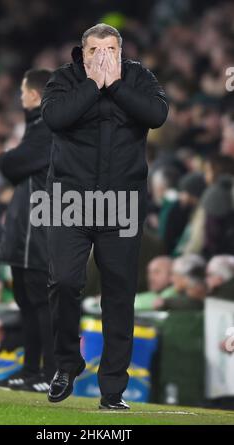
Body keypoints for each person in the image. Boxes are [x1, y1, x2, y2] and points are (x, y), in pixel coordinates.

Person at [41, 23, 168, 409]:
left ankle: (112, 391)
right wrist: (94, 85)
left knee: (117, 295)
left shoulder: (139, 77)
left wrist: (115, 86)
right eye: (95, 49)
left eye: (110, 48)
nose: (103, 56)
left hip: (122, 204)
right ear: (83, 52)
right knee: (63, 282)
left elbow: (157, 114)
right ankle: (67, 362)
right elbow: (55, 118)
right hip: (69, 201)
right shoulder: (64, 79)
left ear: (121, 50)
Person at [0, 69, 56, 392]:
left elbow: (12, 164)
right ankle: (31, 370)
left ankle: (51, 373)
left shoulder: (47, 128)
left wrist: (6, 157)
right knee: (26, 300)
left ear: (34, 95)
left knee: (40, 302)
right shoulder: (37, 126)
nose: (20, 97)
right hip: (25, 228)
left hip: (39, 228)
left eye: (23, 91)